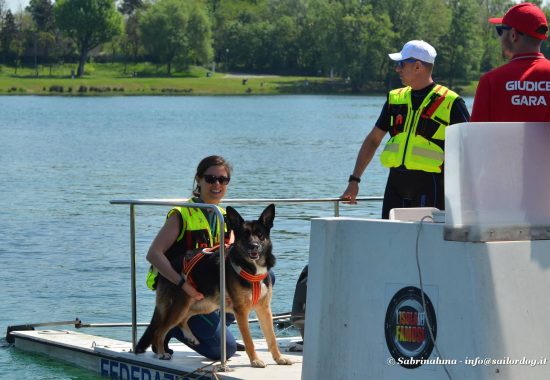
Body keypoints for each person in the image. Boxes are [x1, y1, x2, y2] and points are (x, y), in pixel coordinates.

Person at [341, 40, 470, 219]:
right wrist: (354, 180)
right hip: (395, 184)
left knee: (426, 243)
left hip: (431, 185)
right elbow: (373, 140)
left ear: (418, 67)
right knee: (391, 241)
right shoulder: (395, 99)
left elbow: (470, 149)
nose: (397, 69)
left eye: (401, 64)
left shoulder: (451, 102)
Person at [145, 155, 241, 360]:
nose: (217, 184)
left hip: (208, 295)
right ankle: (175, 326)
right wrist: (183, 285)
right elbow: (153, 254)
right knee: (225, 350)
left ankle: (217, 328)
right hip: (179, 293)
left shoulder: (224, 217)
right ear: (198, 179)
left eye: (223, 180)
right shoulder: (182, 213)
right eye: (210, 178)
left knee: (264, 278)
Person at [471, 2, 550, 122]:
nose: (500, 38)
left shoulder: (490, 82)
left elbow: (476, 137)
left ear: (513, 35)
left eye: (501, 31)